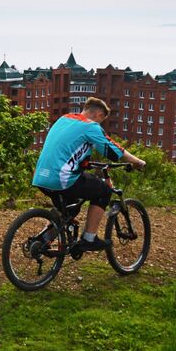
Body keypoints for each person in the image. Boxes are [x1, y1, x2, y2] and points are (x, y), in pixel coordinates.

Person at [32, 97, 145, 252]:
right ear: (98, 115)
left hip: (40, 176)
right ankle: (88, 238)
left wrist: (84, 163)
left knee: (69, 209)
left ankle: (42, 242)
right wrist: (137, 161)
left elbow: (68, 149)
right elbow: (113, 150)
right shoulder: (91, 126)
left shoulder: (64, 119)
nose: (100, 125)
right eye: (102, 121)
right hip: (61, 178)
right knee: (104, 191)